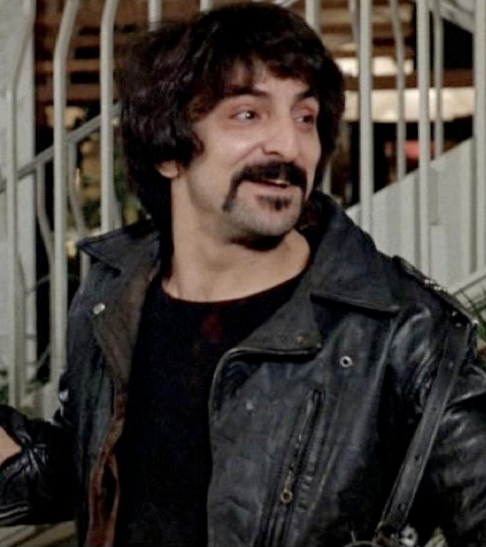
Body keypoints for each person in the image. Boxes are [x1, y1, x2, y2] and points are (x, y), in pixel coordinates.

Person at [0, 3, 485, 546]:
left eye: (304, 117)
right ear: (168, 151)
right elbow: (95, 465)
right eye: (248, 114)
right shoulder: (111, 294)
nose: (288, 145)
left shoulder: (403, 332)